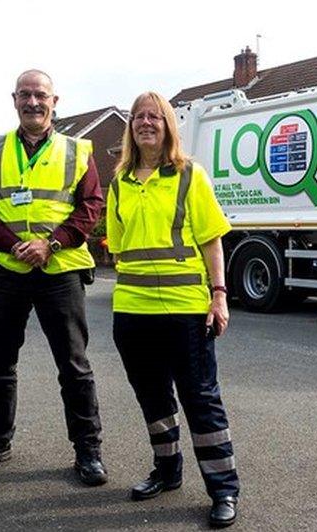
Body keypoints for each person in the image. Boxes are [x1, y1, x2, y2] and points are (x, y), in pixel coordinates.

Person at [0, 69, 107, 486]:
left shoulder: (79, 150)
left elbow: (90, 206)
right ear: (14, 99)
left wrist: (50, 244)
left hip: (60, 271)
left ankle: (88, 451)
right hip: (6, 270)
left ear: (54, 101)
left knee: (74, 366)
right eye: (25, 95)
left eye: (40, 95)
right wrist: (11, 245)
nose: (33, 102)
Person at [106, 91, 240, 527]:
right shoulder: (119, 183)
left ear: (167, 125)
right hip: (132, 310)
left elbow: (211, 239)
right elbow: (119, 248)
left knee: (200, 399)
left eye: (155, 117)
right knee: (154, 398)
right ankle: (167, 472)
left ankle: (223, 489)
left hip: (185, 310)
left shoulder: (188, 175)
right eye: (138, 117)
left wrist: (218, 294)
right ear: (131, 127)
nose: (146, 123)